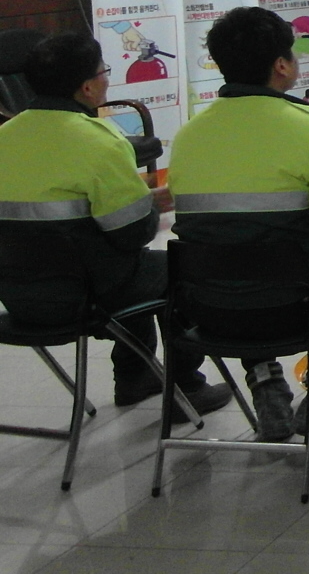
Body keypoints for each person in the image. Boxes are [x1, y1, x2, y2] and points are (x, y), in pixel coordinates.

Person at [0, 31, 232, 417]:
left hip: (16, 295)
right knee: (175, 268)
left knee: (126, 266)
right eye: (104, 71)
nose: (107, 79)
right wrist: (149, 207)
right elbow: (132, 234)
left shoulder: (5, 136)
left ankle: (135, 376)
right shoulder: (99, 142)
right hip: (82, 297)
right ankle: (186, 387)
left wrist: (141, 202)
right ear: (88, 87)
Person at [169, 7, 309, 441]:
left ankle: (263, 379)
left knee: (235, 258)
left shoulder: (188, 136)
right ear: (281, 65)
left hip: (210, 310)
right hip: (298, 308)